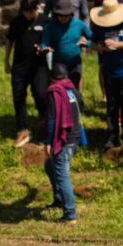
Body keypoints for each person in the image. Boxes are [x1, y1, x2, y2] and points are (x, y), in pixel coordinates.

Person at [89, 0, 123, 152]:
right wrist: (101, 48)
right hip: (110, 70)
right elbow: (92, 43)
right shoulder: (100, 24)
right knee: (112, 105)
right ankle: (112, 137)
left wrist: (118, 44)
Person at [5, 0, 48, 147]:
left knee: (41, 93)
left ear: (36, 8)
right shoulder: (17, 22)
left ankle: (44, 121)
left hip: (39, 66)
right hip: (19, 66)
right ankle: (22, 128)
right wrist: (6, 61)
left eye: (30, 11)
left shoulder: (45, 21)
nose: (27, 15)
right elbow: (10, 41)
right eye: (25, 11)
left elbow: (50, 39)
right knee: (18, 96)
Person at [44, 63, 83, 224]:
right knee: (49, 166)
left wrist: (48, 141)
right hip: (74, 137)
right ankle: (59, 199)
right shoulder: (73, 90)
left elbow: (52, 120)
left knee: (62, 175)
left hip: (63, 139)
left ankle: (70, 214)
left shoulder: (54, 92)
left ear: (52, 78)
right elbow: (82, 108)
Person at [40, 0, 92, 89]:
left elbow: (94, 38)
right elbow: (44, 42)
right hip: (58, 62)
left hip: (75, 63)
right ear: (56, 14)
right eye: (60, 15)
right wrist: (45, 48)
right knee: (61, 87)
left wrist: (86, 43)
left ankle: (76, 102)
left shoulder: (79, 24)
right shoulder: (50, 27)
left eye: (66, 15)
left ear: (70, 14)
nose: (63, 18)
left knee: (74, 86)